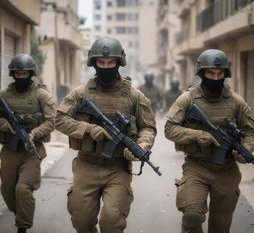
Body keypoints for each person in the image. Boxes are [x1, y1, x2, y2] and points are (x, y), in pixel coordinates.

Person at [55, 36, 156, 233]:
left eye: (111, 62)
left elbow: (148, 127)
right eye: (101, 62)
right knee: (81, 221)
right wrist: (90, 129)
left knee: (112, 221)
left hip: (117, 167)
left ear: (119, 63)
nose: (106, 66)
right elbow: (60, 120)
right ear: (94, 63)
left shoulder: (135, 95)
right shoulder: (80, 93)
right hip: (86, 165)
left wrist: (142, 146)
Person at [164, 49, 254, 233]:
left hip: (226, 170)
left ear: (225, 75)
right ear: (202, 73)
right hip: (196, 166)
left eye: (220, 73)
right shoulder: (188, 99)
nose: (215, 78)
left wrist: (245, 149)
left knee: (220, 227)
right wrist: (198, 135)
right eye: (210, 73)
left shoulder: (236, 101)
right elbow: (170, 129)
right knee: (191, 217)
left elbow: (249, 131)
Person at [0, 54, 55, 233]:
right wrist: (6, 125)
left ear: (31, 74)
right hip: (9, 150)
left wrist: (34, 133)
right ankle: (20, 213)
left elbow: (51, 122)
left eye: (24, 73)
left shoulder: (41, 94)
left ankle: (22, 226)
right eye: (18, 73)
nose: (21, 77)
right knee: (7, 191)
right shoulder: (4, 94)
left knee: (23, 189)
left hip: (32, 150)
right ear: (13, 74)